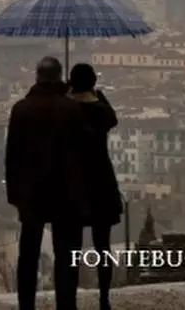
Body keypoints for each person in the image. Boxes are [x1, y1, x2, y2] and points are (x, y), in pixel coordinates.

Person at [6, 56, 89, 310]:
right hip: (66, 192)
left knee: (28, 256)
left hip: (31, 193)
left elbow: (12, 156)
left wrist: (15, 196)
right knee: (66, 255)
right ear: (59, 77)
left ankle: (26, 305)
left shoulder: (21, 109)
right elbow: (81, 154)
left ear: (37, 76)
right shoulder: (72, 109)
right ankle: (66, 305)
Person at [67, 63, 122, 310]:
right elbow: (113, 117)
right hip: (101, 181)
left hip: (74, 183)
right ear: (92, 83)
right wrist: (99, 94)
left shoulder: (67, 111)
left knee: (71, 246)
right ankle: (104, 298)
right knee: (103, 246)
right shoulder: (101, 111)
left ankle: (69, 298)